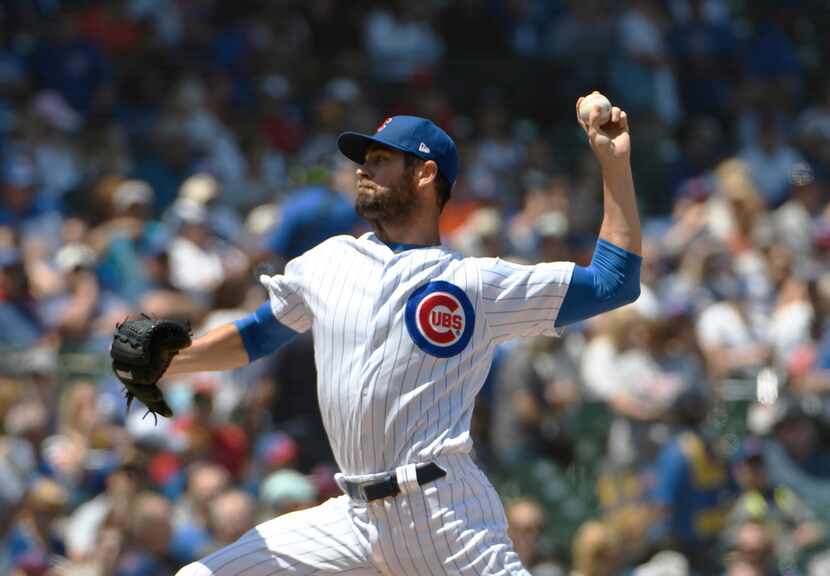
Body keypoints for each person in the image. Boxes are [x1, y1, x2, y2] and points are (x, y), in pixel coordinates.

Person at [169, 93, 642, 575]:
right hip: (352, 517)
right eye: (364, 159)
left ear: (425, 173)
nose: (362, 169)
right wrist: (173, 361)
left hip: (445, 517)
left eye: (380, 159)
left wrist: (614, 165)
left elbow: (612, 282)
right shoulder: (328, 261)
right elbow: (258, 335)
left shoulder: (475, 283)